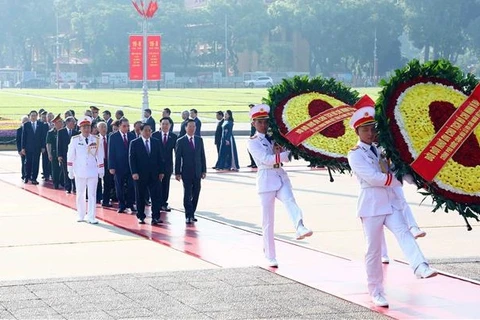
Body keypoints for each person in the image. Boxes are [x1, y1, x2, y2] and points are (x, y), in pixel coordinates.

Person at [347, 95, 437, 308]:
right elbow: (373, 178)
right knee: (373, 250)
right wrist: (396, 181)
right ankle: (376, 291)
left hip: (389, 204)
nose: (370, 133)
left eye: (372, 128)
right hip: (371, 206)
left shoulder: (382, 149)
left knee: (404, 233)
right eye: (365, 129)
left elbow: (398, 170)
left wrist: (418, 182)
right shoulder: (355, 154)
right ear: (357, 132)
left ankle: (420, 266)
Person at [247, 104, 313, 268]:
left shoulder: (275, 137)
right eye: (259, 122)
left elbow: (285, 150)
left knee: (290, 200)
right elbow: (265, 159)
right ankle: (270, 255)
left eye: (265, 121)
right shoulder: (252, 142)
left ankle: (299, 226)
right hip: (266, 178)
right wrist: (284, 155)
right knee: (268, 221)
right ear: (253, 123)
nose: (263, 125)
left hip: (280, 175)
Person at [67, 116, 105, 224]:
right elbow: (70, 155)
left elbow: (100, 155)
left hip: (93, 170)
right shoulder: (75, 140)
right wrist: (70, 169)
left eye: (88, 127)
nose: (86, 129)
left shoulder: (96, 139)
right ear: (80, 128)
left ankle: (91, 216)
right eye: (84, 127)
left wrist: (101, 169)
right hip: (80, 171)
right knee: (80, 193)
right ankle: (81, 214)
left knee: (92, 194)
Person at [129, 123, 164, 225]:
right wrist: (134, 172)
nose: (148, 132)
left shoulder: (156, 142)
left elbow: (160, 158)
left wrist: (161, 171)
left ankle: (156, 217)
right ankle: (141, 216)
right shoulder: (135, 143)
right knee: (140, 196)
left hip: (154, 174)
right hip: (140, 174)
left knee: (155, 196)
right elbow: (132, 159)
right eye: (145, 130)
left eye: (149, 130)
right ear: (140, 131)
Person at [175, 119, 206, 224]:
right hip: (186, 172)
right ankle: (188, 215)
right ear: (186, 128)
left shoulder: (199, 140)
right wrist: (177, 172)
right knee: (187, 193)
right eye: (190, 126)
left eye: (194, 127)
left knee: (196, 192)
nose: (192, 129)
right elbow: (178, 158)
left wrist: (204, 170)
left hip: (197, 171)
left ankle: (192, 212)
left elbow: (202, 156)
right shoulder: (181, 141)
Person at [108, 118, 136, 213]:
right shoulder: (113, 137)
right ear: (119, 126)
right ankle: (121, 205)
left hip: (130, 166)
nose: (126, 128)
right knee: (119, 186)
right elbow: (111, 152)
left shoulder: (132, 136)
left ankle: (130, 204)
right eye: (124, 126)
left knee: (131, 186)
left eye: (128, 126)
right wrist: (111, 166)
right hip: (118, 166)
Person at [153, 117, 177, 212]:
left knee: (166, 185)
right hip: (156, 165)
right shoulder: (155, 135)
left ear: (170, 125)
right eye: (163, 124)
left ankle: (164, 203)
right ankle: (156, 203)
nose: (165, 126)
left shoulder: (174, 137)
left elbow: (177, 152)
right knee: (156, 185)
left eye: (167, 124)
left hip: (167, 165)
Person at [21, 110, 47, 185]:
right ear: (29, 117)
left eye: (35, 115)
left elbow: (43, 136)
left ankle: (34, 178)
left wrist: (43, 146)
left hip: (37, 147)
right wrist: (23, 148)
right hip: (28, 147)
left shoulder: (41, 124)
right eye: (32, 115)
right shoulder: (26, 125)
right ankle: (27, 176)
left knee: (36, 163)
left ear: (37, 116)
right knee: (28, 163)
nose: (33, 117)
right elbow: (24, 137)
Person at [57, 116, 78, 193]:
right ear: (68, 123)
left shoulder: (76, 132)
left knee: (74, 171)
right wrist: (59, 155)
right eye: (72, 122)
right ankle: (68, 187)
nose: (74, 124)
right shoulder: (61, 132)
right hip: (64, 155)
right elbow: (59, 144)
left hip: (74, 156)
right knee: (66, 172)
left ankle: (75, 187)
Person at [96, 122, 113, 207]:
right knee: (97, 181)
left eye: (105, 127)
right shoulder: (95, 138)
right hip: (98, 162)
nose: (104, 129)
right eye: (102, 127)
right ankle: (98, 198)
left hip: (108, 162)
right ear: (98, 129)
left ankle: (106, 200)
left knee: (108, 182)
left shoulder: (110, 138)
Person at [46, 114, 63, 189]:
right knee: (55, 169)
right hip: (54, 152)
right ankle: (55, 183)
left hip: (63, 153)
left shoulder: (64, 131)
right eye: (59, 122)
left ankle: (62, 182)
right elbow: (48, 144)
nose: (61, 123)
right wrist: (49, 153)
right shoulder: (51, 132)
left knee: (63, 169)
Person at [16, 115, 29, 181]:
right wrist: (19, 150)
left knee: (29, 163)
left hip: (29, 149)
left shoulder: (30, 129)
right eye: (24, 121)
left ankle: (29, 175)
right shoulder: (19, 130)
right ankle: (24, 175)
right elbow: (18, 141)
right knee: (24, 162)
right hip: (22, 149)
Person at [247, 104, 257, 168]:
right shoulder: (252, 117)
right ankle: (252, 162)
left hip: (255, 136)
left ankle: (255, 163)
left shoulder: (256, 117)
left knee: (255, 150)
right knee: (249, 149)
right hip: (252, 135)